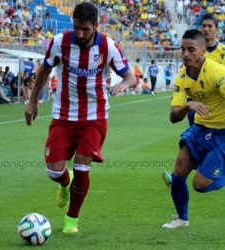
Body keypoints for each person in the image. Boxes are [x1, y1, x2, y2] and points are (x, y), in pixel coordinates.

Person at [24, 2, 136, 234]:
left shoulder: (108, 46)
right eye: (77, 28)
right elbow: (44, 69)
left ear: (96, 25)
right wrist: (33, 101)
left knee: (83, 167)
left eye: (85, 29)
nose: (80, 33)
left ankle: (71, 220)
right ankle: (65, 182)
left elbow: (130, 76)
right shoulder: (59, 42)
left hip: (94, 117)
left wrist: (124, 84)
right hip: (63, 115)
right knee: (53, 170)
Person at [162, 29, 225, 229]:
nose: (185, 54)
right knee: (177, 176)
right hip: (199, 130)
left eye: (191, 50)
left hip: (224, 134)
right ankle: (182, 219)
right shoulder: (182, 77)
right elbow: (174, 117)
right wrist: (188, 105)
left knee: (200, 185)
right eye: (182, 49)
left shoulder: (216, 72)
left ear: (202, 51)